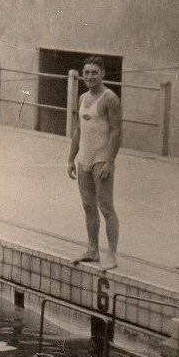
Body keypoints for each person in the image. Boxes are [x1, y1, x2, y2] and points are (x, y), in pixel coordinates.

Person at [67, 56, 122, 271]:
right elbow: (78, 131)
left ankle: (112, 254)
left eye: (94, 72)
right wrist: (71, 158)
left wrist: (110, 161)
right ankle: (92, 249)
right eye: (86, 72)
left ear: (103, 74)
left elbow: (117, 132)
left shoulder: (110, 99)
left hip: (101, 158)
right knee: (88, 206)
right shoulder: (82, 98)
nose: (89, 76)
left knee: (106, 207)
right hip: (84, 159)